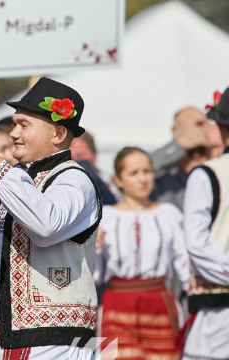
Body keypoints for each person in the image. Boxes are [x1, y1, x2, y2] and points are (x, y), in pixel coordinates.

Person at [0, 77, 101, 359]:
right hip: (5, 342)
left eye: (24, 124)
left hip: (56, 345)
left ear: (58, 134)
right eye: (13, 124)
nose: (13, 133)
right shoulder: (19, 182)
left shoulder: (75, 179)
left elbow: (45, 225)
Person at [93, 147, 189, 359]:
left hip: (159, 305)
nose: (143, 178)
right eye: (134, 173)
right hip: (116, 305)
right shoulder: (105, 217)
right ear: (118, 179)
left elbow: (186, 265)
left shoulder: (169, 214)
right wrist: (92, 248)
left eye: (147, 171)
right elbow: (94, 275)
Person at [182, 87, 229, 359]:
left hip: (218, 311)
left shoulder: (208, 173)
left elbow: (197, 244)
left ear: (222, 128)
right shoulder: (210, 173)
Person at [151, 107, 212, 210]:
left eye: (206, 124)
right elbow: (145, 165)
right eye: (198, 124)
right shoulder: (164, 170)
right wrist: (179, 145)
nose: (203, 129)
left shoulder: (214, 153)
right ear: (174, 130)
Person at [69, 131, 120, 205]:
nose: (74, 162)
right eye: (69, 158)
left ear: (94, 154)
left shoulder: (116, 184)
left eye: (79, 156)